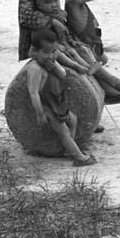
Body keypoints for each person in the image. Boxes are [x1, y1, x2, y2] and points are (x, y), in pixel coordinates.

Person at [25, 29, 97, 167]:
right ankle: (79, 157)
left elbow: (63, 74)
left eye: (53, 52)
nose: (51, 56)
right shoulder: (35, 69)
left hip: (56, 102)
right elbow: (33, 93)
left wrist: (53, 65)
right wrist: (40, 114)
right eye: (46, 52)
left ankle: (69, 149)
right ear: (34, 51)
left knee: (73, 120)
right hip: (45, 105)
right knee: (63, 131)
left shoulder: (48, 62)